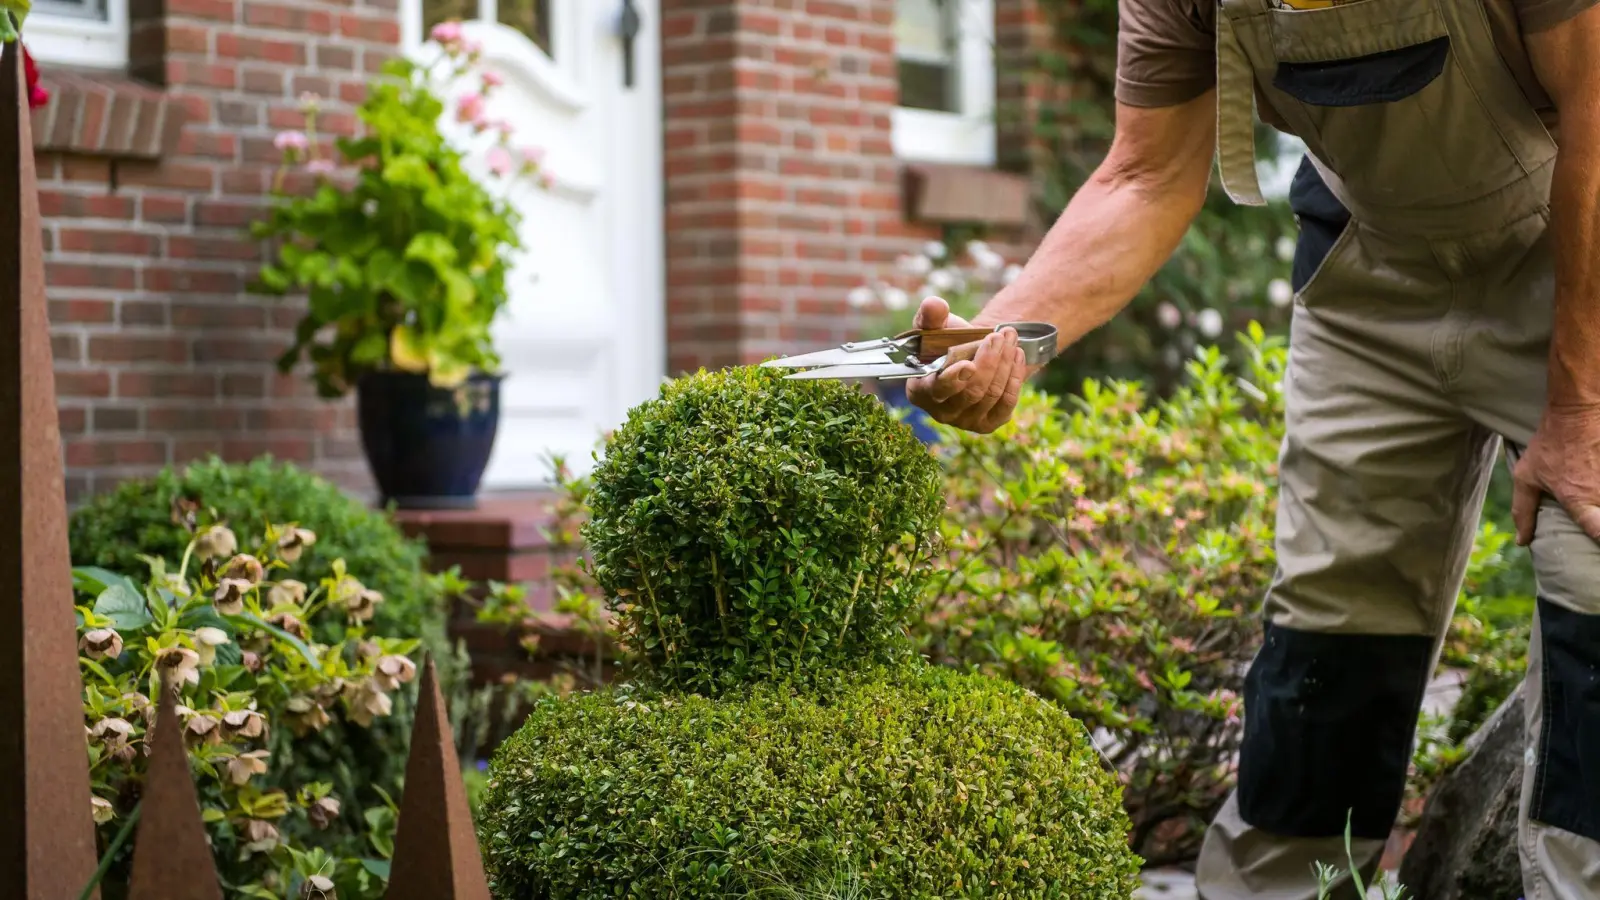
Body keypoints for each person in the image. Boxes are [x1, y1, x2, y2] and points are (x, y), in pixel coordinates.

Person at [905, 1, 1600, 897]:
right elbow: (1145, 175)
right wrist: (999, 340)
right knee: (1333, 625)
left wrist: (1579, 406)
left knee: (1590, 582)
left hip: (1572, 246)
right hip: (1371, 274)